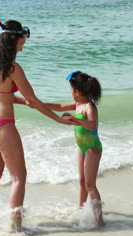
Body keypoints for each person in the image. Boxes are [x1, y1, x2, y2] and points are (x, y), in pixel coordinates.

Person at [0, 18, 76, 232]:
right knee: (19, 178)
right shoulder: (13, 68)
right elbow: (33, 99)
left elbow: (0, 95)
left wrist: (24, 101)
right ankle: (15, 229)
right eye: (22, 41)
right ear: (14, 39)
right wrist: (58, 119)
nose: (23, 45)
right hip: (3, 125)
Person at [44, 71, 104, 226]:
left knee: (90, 184)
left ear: (77, 92)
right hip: (82, 147)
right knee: (82, 181)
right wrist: (38, 104)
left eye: (71, 90)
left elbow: (92, 124)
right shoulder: (78, 105)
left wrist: (74, 119)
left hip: (92, 148)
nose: (70, 93)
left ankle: (100, 220)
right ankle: (80, 209)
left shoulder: (89, 107)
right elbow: (58, 106)